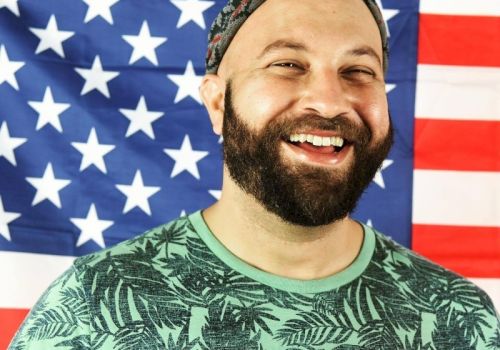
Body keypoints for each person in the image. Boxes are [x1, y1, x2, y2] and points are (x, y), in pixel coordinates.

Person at [9, 0, 500, 349]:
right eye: (288, 64)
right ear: (218, 102)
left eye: (358, 71)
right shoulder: (95, 307)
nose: (329, 101)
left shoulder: (458, 318)